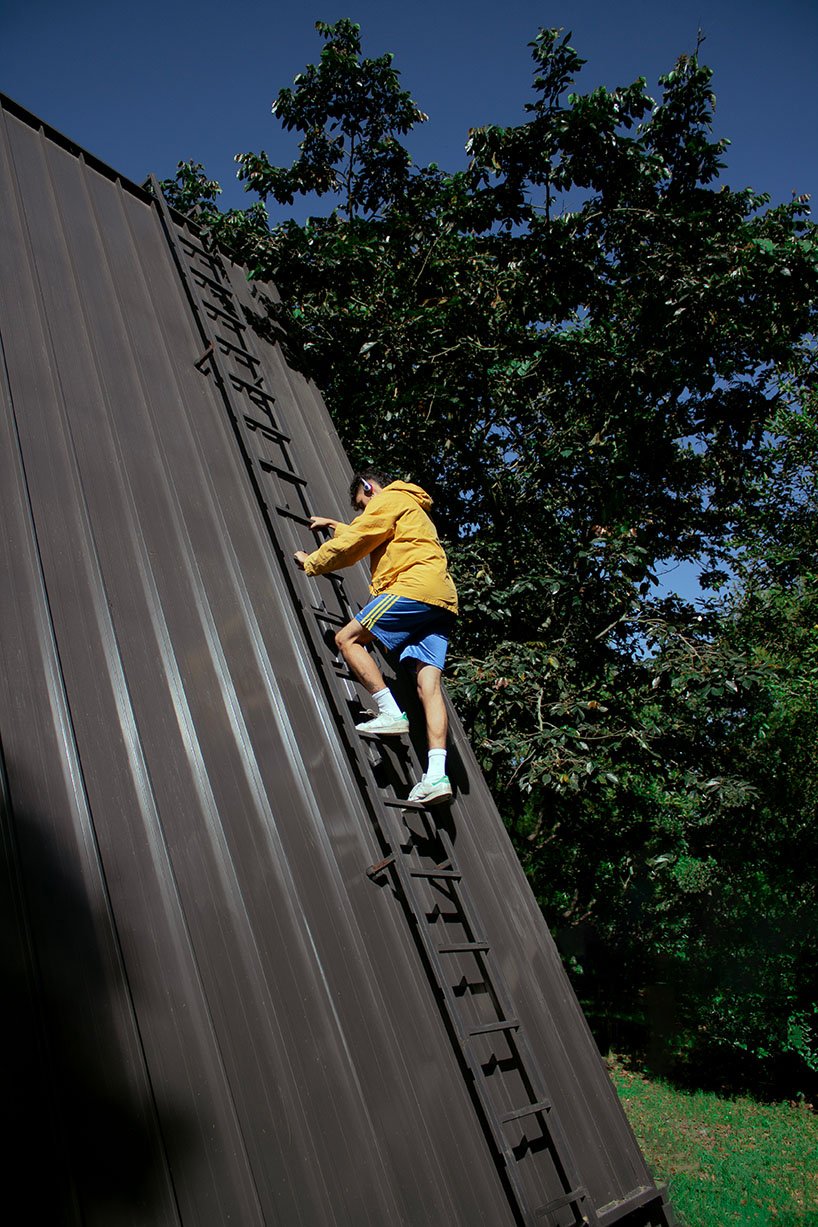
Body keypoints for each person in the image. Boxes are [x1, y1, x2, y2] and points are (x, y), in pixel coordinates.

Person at [294, 472, 458, 805]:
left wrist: (312, 562)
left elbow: (359, 541)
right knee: (428, 687)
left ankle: (390, 713)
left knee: (347, 640)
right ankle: (437, 775)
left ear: (370, 488)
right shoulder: (409, 504)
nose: (362, 511)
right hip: (441, 598)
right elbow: (372, 532)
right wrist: (337, 525)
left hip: (413, 587)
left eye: (361, 504)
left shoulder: (386, 499)